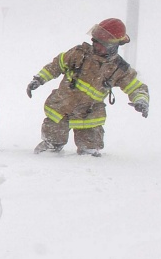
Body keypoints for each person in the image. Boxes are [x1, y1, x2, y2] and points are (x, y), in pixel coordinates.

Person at [26, 18, 149, 157]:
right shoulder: (79, 53)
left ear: (114, 46)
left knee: (89, 154)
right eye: (95, 41)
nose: (96, 45)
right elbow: (56, 65)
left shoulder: (118, 68)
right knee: (51, 144)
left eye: (102, 43)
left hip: (89, 115)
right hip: (62, 107)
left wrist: (141, 100)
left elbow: (136, 87)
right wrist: (39, 79)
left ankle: (88, 162)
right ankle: (52, 147)